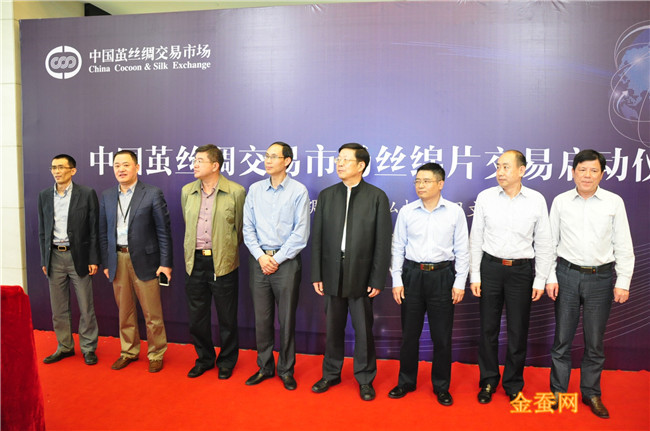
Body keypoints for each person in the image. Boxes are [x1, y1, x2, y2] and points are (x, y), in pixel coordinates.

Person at [545, 149, 634, 419]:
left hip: (601, 278)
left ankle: (591, 393)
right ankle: (558, 392)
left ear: (601, 174)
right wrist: (550, 276)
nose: (587, 175)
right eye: (582, 170)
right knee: (562, 339)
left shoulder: (614, 202)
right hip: (567, 275)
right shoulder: (561, 201)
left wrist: (623, 281)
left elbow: (623, 243)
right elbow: (550, 243)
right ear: (573, 172)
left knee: (594, 341)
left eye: (593, 170)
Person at [469, 150, 553, 403]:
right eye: (498, 167)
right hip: (490, 268)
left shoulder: (536, 200)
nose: (500, 172)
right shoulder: (485, 197)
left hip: (521, 272)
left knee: (518, 330)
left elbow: (544, 242)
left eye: (506, 167)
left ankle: (514, 383)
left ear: (521, 170)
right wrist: (475, 275)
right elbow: (476, 238)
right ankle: (488, 381)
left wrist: (540, 278)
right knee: (488, 329)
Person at [311, 143, 392, 401]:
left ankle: (365, 379)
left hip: (362, 272)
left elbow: (382, 242)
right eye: (338, 159)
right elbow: (317, 238)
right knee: (332, 327)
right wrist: (317, 274)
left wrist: (377, 278)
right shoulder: (327, 195)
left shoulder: (376, 196)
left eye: (346, 159)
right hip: (331, 271)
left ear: (361, 165)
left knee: (363, 330)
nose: (340, 163)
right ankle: (331, 373)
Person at [388, 163, 469, 406]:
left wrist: (460, 281)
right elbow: (397, 247)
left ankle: (441, 386)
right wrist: (397, 279)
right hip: (413, 275)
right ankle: (406, 381)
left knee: (442, 337)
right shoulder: (407, 212)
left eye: (426, 181)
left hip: (443, 276)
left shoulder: (454, 212)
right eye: (417, 181)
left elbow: (462, 249)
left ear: (440, 184)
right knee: (409, 334)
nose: (420, 185)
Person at [243, 142, 310, 391]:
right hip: (259, 261)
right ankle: (264, 367)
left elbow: (300, 234)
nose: (268, 160)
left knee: (287, 319)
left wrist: (277, 259)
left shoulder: (298, 191)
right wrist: (261, 257)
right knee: (262, 319)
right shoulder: (255, 190)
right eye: (266, 156)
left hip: (286, 263)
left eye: (274, 156)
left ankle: (286, 370)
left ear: (287, 161)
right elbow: (247, 228)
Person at [99, 150, 173, 373]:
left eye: (126, 165)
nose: (121, 169)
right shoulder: (107, 195)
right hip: (118, 259)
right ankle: (128, 351)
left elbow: (163, 231)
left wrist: (166, 263)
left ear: (137, 167)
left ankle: (156, 353)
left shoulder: (151, 193)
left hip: (146, 260)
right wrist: (107, 262)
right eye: (116, 165)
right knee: (125, 311)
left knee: (152, 313)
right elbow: (103, 232)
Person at [181, 144, 245, 379]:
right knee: (197, 317)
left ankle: (227, 361)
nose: (195, 164)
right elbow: (188, 225)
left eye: (200, 161)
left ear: (215, 165)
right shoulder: (187, 191)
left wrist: (225, 250)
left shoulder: (236, 191)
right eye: (194, 160)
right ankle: (204, 358)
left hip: (223, 262)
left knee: (227, 317)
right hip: (195, 261)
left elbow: (240, 230)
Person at [38, 154, 100, 365]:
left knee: (86, 307)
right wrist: (45, 259)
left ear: (73, 170)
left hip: (79, 256)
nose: (56, 171)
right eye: (53, 167)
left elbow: (94, 229)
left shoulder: (86, 194)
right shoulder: (44, 195)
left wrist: (93, 258)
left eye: (61, 167)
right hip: (54, 256)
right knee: (58, 308)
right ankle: (64, 346)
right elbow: (43, 231)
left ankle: (88, 348)